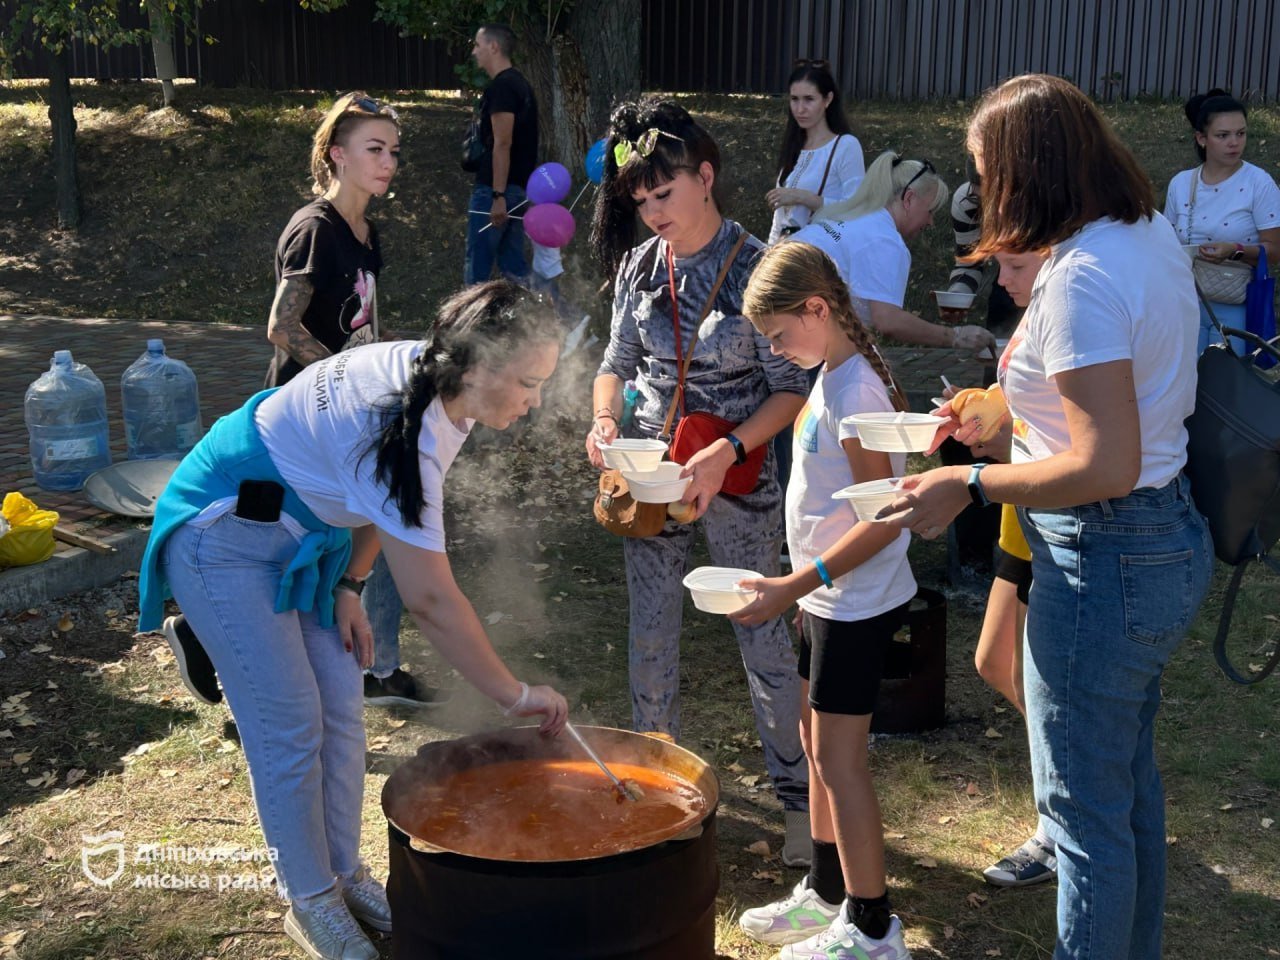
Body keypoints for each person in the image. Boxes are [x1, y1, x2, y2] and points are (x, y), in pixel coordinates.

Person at [880, 74, 1213, 959]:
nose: (985, 191)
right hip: (1157, 540)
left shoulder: (1081, 279)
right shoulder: (1143, 236)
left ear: (1033, 170)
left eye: (990, 171)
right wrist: (1002, 420)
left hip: (1105, 555)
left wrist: (971, 487)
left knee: (1083, 820)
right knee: (1125, 793)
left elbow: (1107, 462)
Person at [138, 281, 569, 960]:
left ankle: (343, 875)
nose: (535, 399)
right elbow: (430, 598)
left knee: (341, 708)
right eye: (529, 382)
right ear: (481, 365)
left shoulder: (443, 393)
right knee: (290, 725)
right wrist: (514, 695)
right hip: (222, 539)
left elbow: (377, 499)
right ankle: (307, 901)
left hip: (306, 541)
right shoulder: (402, 417)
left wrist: (349, 585)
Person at [585, 98, 813, 865]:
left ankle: (798, 803)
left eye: (665, 192)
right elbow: (615, 364)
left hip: (738, 480)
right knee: (651, 634)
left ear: (705, 176)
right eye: (639, 199)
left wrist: (729, 451)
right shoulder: (638, 266)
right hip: (651, 480)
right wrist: (605, 423)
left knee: (762, 635)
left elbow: (792, 388)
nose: (653, 211)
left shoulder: (758, 269)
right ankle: (657, 791)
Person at [164, 93, 436, 708]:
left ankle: (334, 650)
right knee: (298, 539)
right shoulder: (315, 228)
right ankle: (214, 644)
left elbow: (365, 323)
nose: (387, 161)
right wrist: (346, 379)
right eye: (374, 149)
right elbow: (281, 328)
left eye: (393, 151)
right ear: (337, 155)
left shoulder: (367, 233)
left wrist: (392, 375)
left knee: (356, 529)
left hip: (348, 415)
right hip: (299, 420)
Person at [733, 241, 915, 960]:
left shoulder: (856, 391)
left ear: (817, 308)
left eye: (780, 335)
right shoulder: (831, 372)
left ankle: (874, 926)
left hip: (855, 603)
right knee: (815, 745)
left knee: (840, 761)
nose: (776, 350)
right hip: (827, 598)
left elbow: (885, 518)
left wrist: (793, 585)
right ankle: (828, 891)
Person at [963, 250, 1058, 889]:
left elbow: (1073, 437)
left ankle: (1061, 826)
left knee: (1050, 692)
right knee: (995, 661)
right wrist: (974, 408)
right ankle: (1080, 783)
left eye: (1016, 266)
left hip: (1050, 519)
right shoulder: (1032, 317)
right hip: (1016, 518)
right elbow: (1019, 405)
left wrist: (997, 447)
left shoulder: (1074, 313)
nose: (1002, 280)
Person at [788, 152, 996, 355]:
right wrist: (955, 336)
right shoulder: (885, 240)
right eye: (930, 211)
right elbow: (888, 321)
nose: (930, 222)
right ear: (909, 199)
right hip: (790, 323)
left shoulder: (850, 216)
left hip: (773, 301)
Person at [1164, 88, 1280, 353]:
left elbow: (1275, 251)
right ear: (1201, 139)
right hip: (1184, 302)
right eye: (1223, 135)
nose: (1234, 143)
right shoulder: (1181, 184)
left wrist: (1235, 251)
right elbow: (1166, 242)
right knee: (1184, 385)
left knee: (1225, 385)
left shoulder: (1258, 183)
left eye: (1241, 134)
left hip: (1234, 303)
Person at [464, 22, 538, 285]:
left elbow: (502, 143)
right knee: (514, 267)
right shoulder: (521, 85)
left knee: (478, 270)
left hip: (496, 191)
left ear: (493, 47)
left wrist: (497, 195)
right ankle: (560, 318)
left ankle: (470, 326)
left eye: (477, 44)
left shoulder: (503, 87)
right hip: (516, 189)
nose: (473, 51)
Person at [766, 59, 865, 245]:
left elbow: (856, 209)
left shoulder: (846, 146)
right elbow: (779, 220)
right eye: (794, 99)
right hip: (787, 257)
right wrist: (768, 257)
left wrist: (802, 197)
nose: (800, 109)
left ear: (827, 99)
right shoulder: (793, 146)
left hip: (823, 257)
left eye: (809, 99)